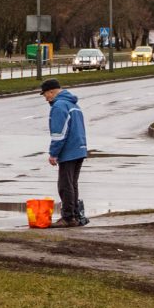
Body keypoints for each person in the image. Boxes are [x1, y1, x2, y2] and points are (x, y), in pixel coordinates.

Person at [42, 78, 88, 226]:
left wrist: (53, 153)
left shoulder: (59, 106)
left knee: (64, 185)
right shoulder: (73, 104)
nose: (46, 98)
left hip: (69, 150)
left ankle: (68, 217)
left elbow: (59, 134)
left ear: (51, 91)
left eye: (45, 95)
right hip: (79, 149)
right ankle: (74, 215)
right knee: (72, 184)